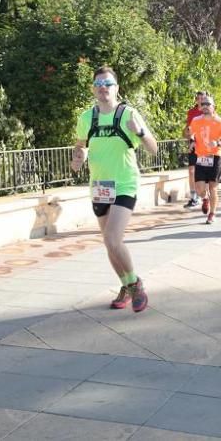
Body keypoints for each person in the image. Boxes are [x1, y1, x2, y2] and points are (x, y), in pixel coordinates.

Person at [72, 66, 158, 313]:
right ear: (93, 89)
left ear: (117, 88)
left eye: (108, 83)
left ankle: (135, 284)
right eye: (98, 84)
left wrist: (139, 131)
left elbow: (153, 148)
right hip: (99, 185)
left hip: (124, 183)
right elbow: (81, 147)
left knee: (112, 238)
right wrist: (79, 157)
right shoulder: (86, 118)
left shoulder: (128, 114)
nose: (103, 88)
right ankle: (125, 285)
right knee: (109, 244)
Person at [189, 97, 221, 224]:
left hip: (215, 157)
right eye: (203, 104)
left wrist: (218, 143)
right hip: (200, 157)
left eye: (208, 104)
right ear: (200, 106)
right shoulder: (195, 121)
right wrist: (192, 142)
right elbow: (190, 134)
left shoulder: (219, 122)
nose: (205, 106)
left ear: (214, 107)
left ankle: (212, 214)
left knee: (213, 187)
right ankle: (205, 198)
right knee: (199, 189)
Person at [182, 91, 207, 208]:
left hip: (205, 146)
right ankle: (193, 197)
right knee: (192, 171)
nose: (201, 100)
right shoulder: (191, 112)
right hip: (194, 144)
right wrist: (188, 135)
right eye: (199, 98)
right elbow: (188, 129)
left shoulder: (209, 111)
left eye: (203, 98)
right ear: (196, 100)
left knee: (204, 172)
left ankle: (205, 196)